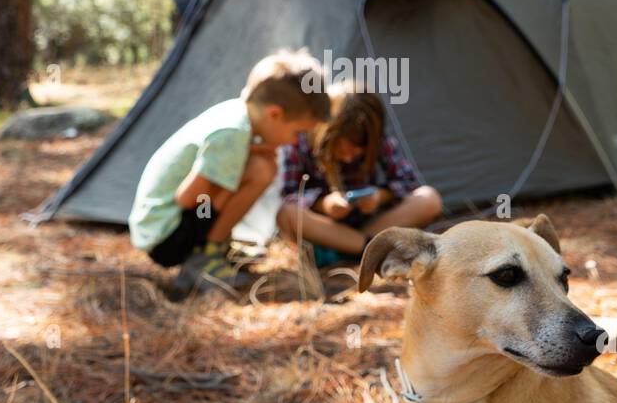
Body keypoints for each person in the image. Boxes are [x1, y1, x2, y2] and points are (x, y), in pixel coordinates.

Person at [129, 50, 330, 292]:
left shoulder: (236, 116)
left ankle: (212, 248)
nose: (295, 143)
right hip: (166, 239)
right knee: (261, 170)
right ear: (275, 114)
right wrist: (232, 171)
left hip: (163, 228)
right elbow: (187, 197)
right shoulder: (233, 133)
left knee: (258, 166)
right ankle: (205, 257)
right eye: (298, 132)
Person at [276, 84, 442, 266]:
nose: (348, 158)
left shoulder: (377, 139)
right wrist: (324, 204)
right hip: (327, 231)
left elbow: (409, 183)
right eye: (340, 149)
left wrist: (379, 197)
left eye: (357, 151)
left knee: (429, 198)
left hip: (372, 225)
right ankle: (367, 249)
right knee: (287, 213)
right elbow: (289, 195)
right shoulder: (300, 142)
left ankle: (362, 248)